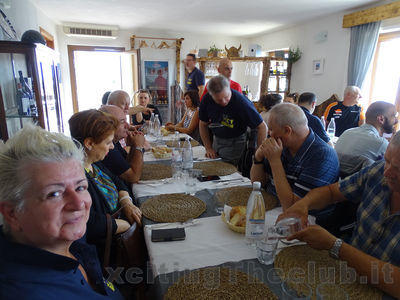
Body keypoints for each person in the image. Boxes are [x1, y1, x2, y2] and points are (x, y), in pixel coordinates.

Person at [0, 124, 122, 299]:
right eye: (54, 194)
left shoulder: (72, 243)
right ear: (12, 213)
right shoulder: (22, 291)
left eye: (80, 187)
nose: (79, 203)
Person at [279, 131, 400, 299]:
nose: (387, 173)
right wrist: (303, 204)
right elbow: (332, 192)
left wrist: (336, 246)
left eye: (398, 170)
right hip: (344, 274)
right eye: (387, 161)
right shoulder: (378, 171)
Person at [69, 109, 142, 262]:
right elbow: (91, 225)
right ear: (89, 143)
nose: (112, 147)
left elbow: (118, 181)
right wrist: (127, 225)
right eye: (108, 142)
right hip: (108, 252)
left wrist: (126, 202)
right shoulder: (75, 179)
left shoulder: (94, 163)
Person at [250, 103, 339, 213]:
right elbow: (257, 183)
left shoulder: (322, 157)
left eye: (271, 129)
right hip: (271, 206)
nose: (269, 134)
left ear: (287, 131)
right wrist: (258, 157)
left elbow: (292, 207)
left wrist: (275, 162)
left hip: (305, 221)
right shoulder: (283, 144)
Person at [199, 75, 267, 166]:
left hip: (235, 140)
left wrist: (259, 155)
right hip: (217, 138)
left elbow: (262, 126)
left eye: (226, 97)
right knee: (212, 164)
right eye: (219, 100)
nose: (224, 102)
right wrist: (208, 148)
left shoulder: (241, 102)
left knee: (224, 169)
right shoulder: (206, 99)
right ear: (211, 95)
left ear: (229, 89)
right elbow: (203, 124)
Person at [335, 101, 398, 176]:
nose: (396, 120)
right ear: (381, 119)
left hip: (336, 183)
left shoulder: (347, 132)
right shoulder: (381, 144)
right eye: (394, 116)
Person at [99, 105, 145, 184]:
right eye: (122, 122)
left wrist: (133, 145)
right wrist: (139, 146)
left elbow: (126, 163)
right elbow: (133, 177)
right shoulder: (107, 148)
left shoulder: (114, 141)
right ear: (108, 125)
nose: (127, 126)